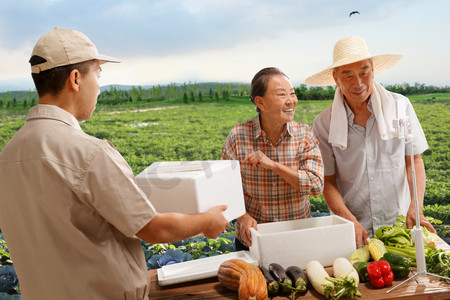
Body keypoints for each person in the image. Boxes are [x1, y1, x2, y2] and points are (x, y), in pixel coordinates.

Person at [0, 27, 229, 299]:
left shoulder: (7, 155)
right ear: (75, 79)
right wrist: (207, 220)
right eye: (98, 74)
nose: (99, 86)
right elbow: (155, 228)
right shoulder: (89, 153)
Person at [305, 36, 436, 249]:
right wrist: (349, 220)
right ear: (335, 78)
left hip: (400, 224)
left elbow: (414, 161)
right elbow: (327, 182)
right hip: (354, 230)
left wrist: (416, 206)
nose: (358, 84)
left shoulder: (400, 106)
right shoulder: (323, 123)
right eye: (348, 76)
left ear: (373, 70)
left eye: (364, 73)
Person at [221, 67, 324, 251]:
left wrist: (274, 165)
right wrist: (243, 218)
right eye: (282, 94)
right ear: (260, 102)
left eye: (292, 94)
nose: (291, 101)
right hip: (253, 240)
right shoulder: (238, 136)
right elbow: (225, 188)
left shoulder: (305, 135)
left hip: (297, 238)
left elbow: (316, 185)